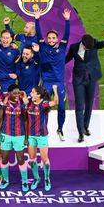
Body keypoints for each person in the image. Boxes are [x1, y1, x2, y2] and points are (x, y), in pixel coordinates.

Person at [65, 30, 104, 142]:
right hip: (78, 80)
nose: (89, 49)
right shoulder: (74, 47)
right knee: (79, 106)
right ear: (82, 43)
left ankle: (85, 127)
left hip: (92, 79)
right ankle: (80, 133)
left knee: (89, 104)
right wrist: (56, 64)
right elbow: (67, 58)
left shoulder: (94, 43)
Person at [35, 8, 71, 141]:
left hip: (59, 83)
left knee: (61, 107)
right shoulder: (43, 46)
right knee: (44, 107)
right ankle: (43, 129)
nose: (50, 39)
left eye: (53, 38)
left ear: (57, 39)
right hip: (47, 83)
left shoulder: (62, 47)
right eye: (49, 37)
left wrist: (67, 21)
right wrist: (37, 19)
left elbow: (67, 34)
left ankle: (60, 129)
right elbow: (38, 33)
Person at [0, 84, 29, 191]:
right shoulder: (4, 106)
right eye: (14, 93)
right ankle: (5, 180)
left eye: (18, 93)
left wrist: (26, 137)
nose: (17, 95)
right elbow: (0, 121)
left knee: (20, 159)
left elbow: (26, 121)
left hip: (19, 136)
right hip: (6, 135)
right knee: (4, 159)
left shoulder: (22, 105)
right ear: (9, 94)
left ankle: (24, 181)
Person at [24, 86, 58, 191]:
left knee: (44, 159)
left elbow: (56, 102)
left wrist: (55, 90)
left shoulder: (44, 104)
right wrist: (22, 94)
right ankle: (36, 178)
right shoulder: (29, 102)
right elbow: (22, 97)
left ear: (38, 95)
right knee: (32, 159)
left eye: (33, 92)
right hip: (31, 136)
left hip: (42, 136)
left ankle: (47, 178)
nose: (31, 93)